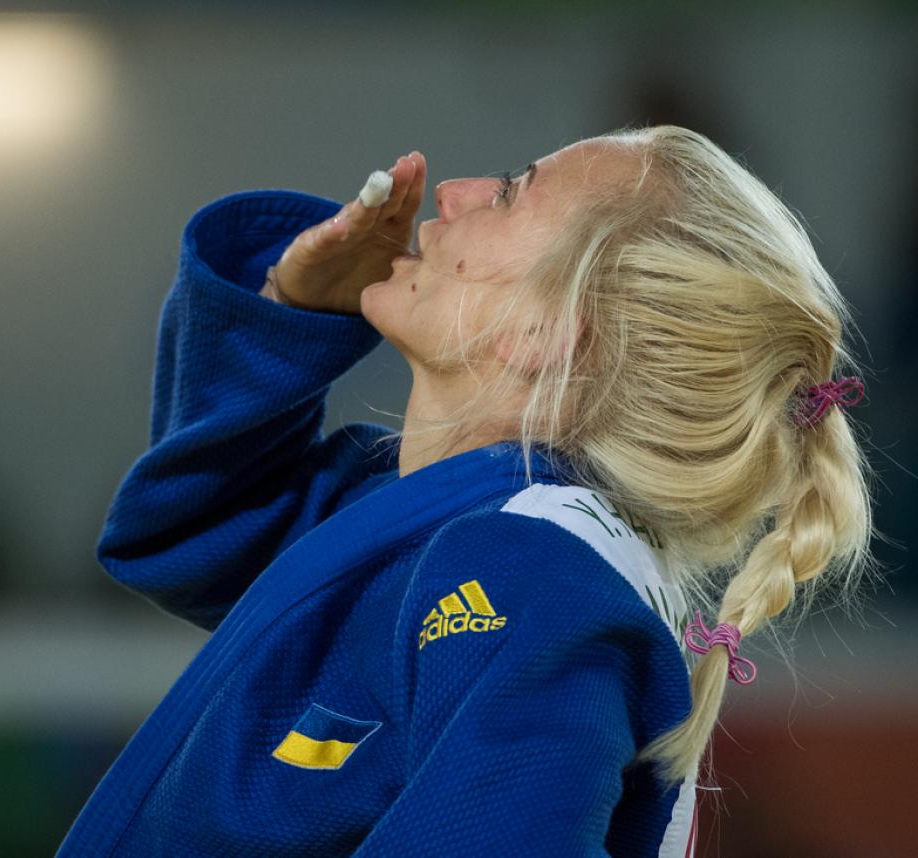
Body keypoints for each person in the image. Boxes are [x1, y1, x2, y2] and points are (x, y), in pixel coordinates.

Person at [58, 125, 874, 856]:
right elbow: (200, 535)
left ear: (544, 331)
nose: (453, 191)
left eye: (513, 190)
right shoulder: (479, 539)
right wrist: (286, 307)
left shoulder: (529, 577)